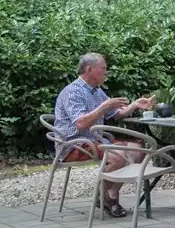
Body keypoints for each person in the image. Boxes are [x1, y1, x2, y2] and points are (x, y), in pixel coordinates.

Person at [53, 53, 155, 218]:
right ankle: (105, 197)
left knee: (138, 151)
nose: (106, 72)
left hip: (95, 140)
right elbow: (80, 124)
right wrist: (103, 107)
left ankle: (108, 195)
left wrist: (135, 104)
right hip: (74, 144)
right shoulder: (73, 92)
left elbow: (117, 114)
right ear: (90, 70)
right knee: (117, 157)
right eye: (103, 69)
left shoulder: (96, 91)